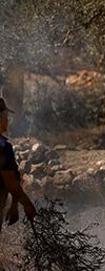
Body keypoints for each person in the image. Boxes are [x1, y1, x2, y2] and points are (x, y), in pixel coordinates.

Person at [0, 97, 35, 232]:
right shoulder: (3, 148)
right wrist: (27, 205)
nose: (7, 120)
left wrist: (14, 204)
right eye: (5, 116)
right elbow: (10, 183)